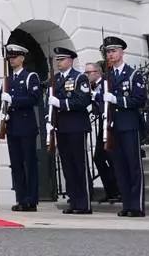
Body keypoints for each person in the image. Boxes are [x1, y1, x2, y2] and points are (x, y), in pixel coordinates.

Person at [96, 36, 145, 217]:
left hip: (128, 125)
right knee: (119, 166)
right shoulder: (106, 78)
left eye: (113, 51)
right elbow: (100, 100)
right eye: (108, 52)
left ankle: (136, 205)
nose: (110, 54)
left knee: (133, 165)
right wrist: (104, 110)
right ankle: (126, 203)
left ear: (121, 52)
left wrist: (117, 100)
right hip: (112, 126)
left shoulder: (132, 74)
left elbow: (139, 100)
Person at [50, 47, 91, 215]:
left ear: (71, 60)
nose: (59, 63)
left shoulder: (79, 77)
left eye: (62, 59)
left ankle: (84, 203)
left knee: (79, 164)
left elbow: (83, 100)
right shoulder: (56, 79)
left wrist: (61, 103)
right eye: (58, 60)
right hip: (62, 127)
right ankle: (74, 201)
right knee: (67, 166)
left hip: (76, 125)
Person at [1, 42, 39, 211]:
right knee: (16, 164)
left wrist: (13, 101)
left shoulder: (31, 77)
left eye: (14, 57)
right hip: (12, 126)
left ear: (22, 58)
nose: (11, 60)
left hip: (26, 125)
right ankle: (21, 198)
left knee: (28, 163)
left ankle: (31, 199)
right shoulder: (8, 80)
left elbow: (33, 98)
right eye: (10, 57)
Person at [85, 62, 120, 204]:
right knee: (98, 157)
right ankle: (110, 190)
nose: (86, 76)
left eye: (89, 73)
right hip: (101, 123)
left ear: (97, 72)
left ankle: (119, 190)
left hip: (110, 123)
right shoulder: (92, 87)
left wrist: (95, 96)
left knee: (112, 157)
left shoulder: (106, 83)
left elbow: (107, 100)